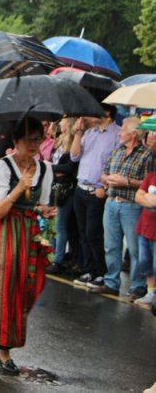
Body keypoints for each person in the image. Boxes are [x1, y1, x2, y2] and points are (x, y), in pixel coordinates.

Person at [0, 116, 55, 375]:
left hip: (29, 231)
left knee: (30, 285)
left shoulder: (45, 169)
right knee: (5, 287)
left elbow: (39, 204)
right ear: (15, 140)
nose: (32, 145)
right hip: (4, 232)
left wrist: (44, 210)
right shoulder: (2, 167)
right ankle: (3, 350)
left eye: (37, 140)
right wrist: (19, 188)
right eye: (27, 139)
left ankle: (4, 338)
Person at [89, 117, 155, 299]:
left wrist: (127, 182)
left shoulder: (147, 155)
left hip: (131, 205)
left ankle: (137, 286)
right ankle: (111, 282)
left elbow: (149, 182)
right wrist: (107, 178)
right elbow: (104, 173)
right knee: (111, 246)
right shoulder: (117, 151)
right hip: (111, 202)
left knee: (134, 249)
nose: (119, 132)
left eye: (123, 129)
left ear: (133, 134)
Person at [71, 107, 120, 288]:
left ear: (107, 113)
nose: (91, 114)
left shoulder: (116, 134)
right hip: (81, 187)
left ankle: (101, 271)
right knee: (83, 232)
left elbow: (117, 163)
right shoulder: (89, 133)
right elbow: (74, 156)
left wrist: (105, 188)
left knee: (94, 233)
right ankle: (89, 270)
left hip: (97, 190)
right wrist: (78, 134)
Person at [46, 116, 80, 275]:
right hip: (54, 185)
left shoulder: (73, 142)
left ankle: (57, 259)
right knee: (52, 223)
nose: (60, 122)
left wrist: (52, 168)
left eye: (63, 120)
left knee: (60, 225)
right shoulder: (59, 139)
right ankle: (52, 254)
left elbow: (71, 167)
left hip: (66, 188)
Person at [134, 161, 156, 308]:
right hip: (144, 227)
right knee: (145, 263)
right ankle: (150, 293)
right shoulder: (151, 176)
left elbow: (143, 196)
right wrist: (151, 200)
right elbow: (138, 197)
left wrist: (147, 196)